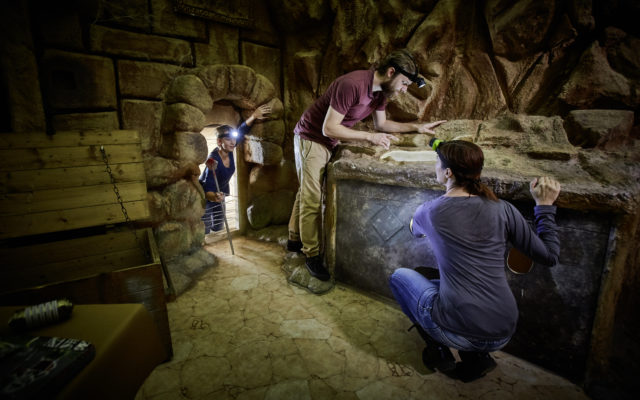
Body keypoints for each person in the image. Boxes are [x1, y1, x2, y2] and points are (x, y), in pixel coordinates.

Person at [388, 139, 561, 382]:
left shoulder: (430, 211)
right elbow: (550, 256)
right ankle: (477, 358)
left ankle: (438, 350)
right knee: (430, 276)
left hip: (458, 331)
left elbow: (414, 230)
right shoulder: (504, 209)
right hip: (503, 330)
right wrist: (544, 206)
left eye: (437, 163)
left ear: (448, 173)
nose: (435, 167)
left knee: (400, 277)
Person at [287, 48, 446, 281]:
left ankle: (294, 238)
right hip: (311, 138)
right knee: (312, 197)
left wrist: (417, 127)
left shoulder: (380, 93)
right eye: (403, 83)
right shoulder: (352, 84)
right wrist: (369, 137)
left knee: (306, 190)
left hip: (328, 141)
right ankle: (311, 254)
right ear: (391, 72)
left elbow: (382, 125)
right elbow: (328, 128)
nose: (404, 90)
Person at [201, 104, 271, 243]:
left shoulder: (229, 147)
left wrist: (254, 116)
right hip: (206, 196)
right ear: (219, 141)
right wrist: (214, 197)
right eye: (228, 139)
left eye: (233, 139)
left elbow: (241, 130)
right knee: (205, 230)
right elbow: (208, 187)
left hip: (220, 193)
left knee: (219, 227)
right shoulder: (213, 162)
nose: (233, 142)